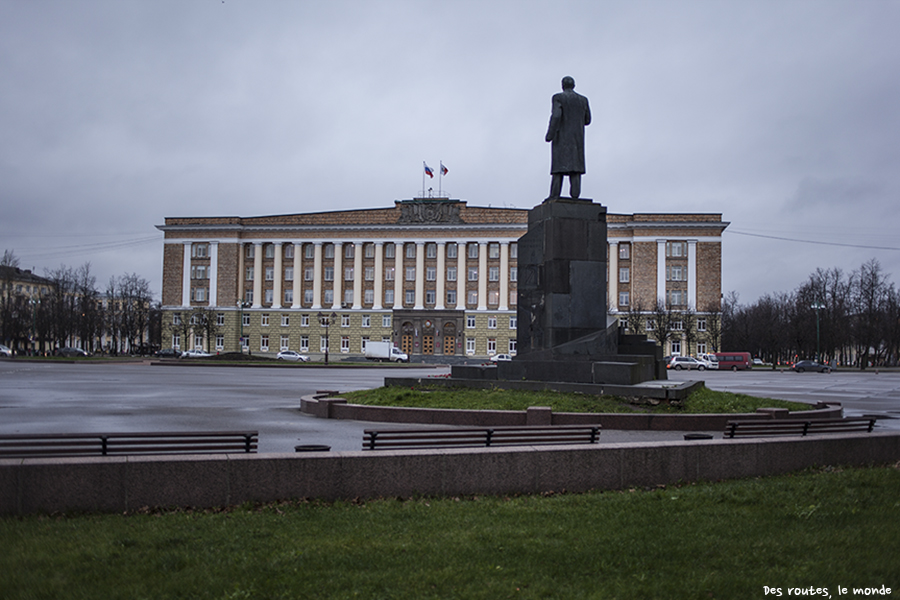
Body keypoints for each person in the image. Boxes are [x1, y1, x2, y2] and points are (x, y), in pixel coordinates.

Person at [545, 76, 591, 199]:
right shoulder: (583, 100)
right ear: (574, 85)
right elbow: (587, 120)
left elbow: (556, 116)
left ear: (562, 85)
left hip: (561, 137)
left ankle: (554, 195)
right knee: (575, 169)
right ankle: (575, 196)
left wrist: (550, 134)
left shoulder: (558, 97)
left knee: (558, 168)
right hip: (577, 139)